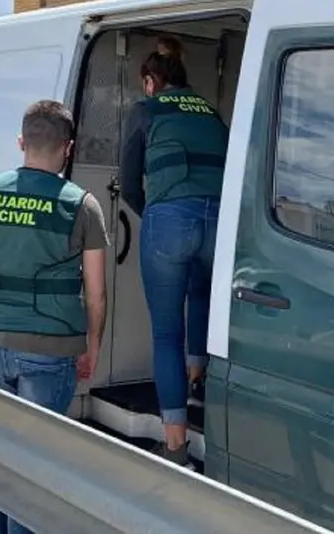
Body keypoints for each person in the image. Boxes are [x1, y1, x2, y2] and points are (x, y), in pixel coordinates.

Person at [0, 99, 108, 534]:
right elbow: (96, 293)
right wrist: (93, 346)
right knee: (36, 467)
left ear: (21, 142)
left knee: (0, 451)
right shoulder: (82, 205)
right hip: (51, 350)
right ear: (67, 148)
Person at [120, 43, 229, 467]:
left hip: (169, 219)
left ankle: (175, 446)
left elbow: (130, 182)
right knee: (201, 297)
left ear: (151, 82)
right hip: (218, 220)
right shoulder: (211, 111)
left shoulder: (147, 110)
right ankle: (198, 381)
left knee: (167, 334)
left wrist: (156, 214)